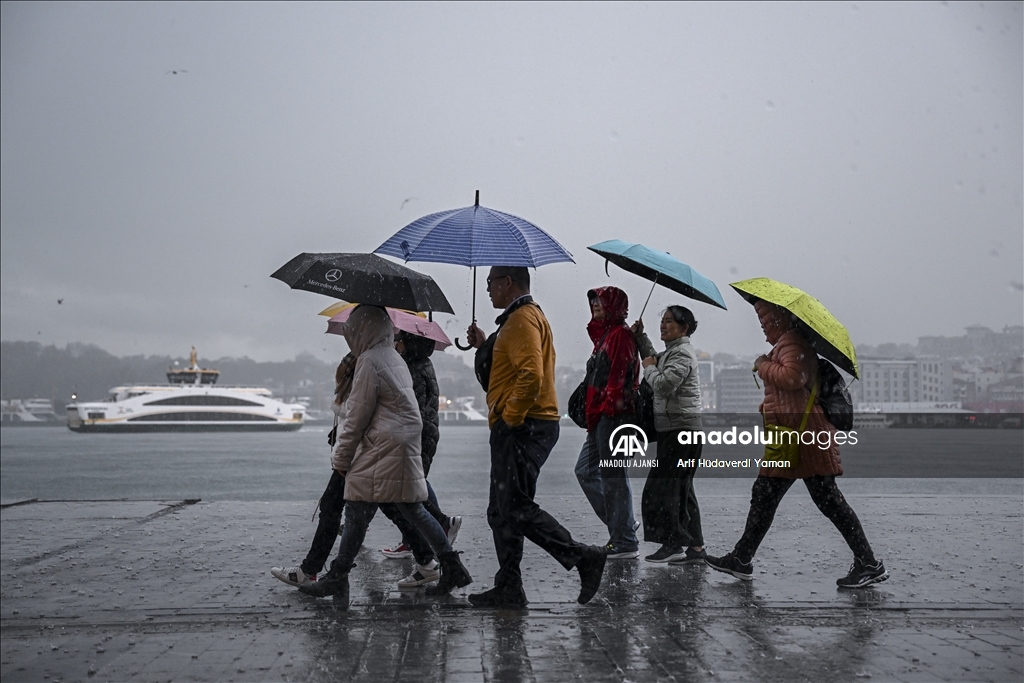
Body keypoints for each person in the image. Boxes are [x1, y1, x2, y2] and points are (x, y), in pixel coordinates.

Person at [704, 300, 888, 588]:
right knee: (772, 494)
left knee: (822, 499)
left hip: (804, 437)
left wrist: (763, 365)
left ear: (779, 321)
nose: (763, 328)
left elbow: (792, 378)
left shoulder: (792, 344)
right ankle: (741, 558)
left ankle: (868, 563)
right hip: (794, 436)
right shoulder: (788, 345)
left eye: (766, 322)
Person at [299, 305, 472, 605]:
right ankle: (451, 565)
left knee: (359, 511)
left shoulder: (369, 361)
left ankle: (338, 577)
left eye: (352, 329)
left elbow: (357, 417)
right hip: (399, 444)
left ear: (361, 330)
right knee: (409, 509)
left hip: (381, 447)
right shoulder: (393, 356)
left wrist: (341, 459)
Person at [465, 266, 607, 608]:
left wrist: (509, 418)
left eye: (491, 283)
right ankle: (509, 586)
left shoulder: (521, 319)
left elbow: (530, 374)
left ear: (507, 282)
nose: (488, 289)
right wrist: (484, 345)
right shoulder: (521, 318)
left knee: (514, 506)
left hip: (525, 424)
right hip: (526, 423)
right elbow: (512, 369)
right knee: (501, 510)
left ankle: (583, 557)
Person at [378, 330, 463, 589]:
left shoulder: (411, 368)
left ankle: (436, 540)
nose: (396, 344)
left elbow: (406, 406)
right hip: (424, 434)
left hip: (416, 436)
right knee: (414, 487)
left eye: (400, 340)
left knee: (408, 497)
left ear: (409, 344)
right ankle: (429, 540)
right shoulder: (421, 364)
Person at [270, 353, 356, 588]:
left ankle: (315, 572)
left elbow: (357, 419)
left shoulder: (364, 374)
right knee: (390, 509)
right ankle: (431, 555)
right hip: (361, 455)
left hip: (355, 457)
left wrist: (342, 457)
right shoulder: (374, 366)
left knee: (335, 509)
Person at [631, 306, 706, 564]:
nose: (663, 326)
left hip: (681, 431)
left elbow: (663, 384)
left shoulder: (683, 354)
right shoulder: (672, 352)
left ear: (685, 328)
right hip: (674, 430)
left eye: (669, 322)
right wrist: (641, 338)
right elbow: (654, 359)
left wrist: (648, 368)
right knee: (683, 491)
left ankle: (673, 543)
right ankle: (696, 548)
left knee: (663, 489)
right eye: (662, 321)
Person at [574, 287, 641, 559]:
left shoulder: (620, 336)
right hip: (600, 417)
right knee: (585, 471)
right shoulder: (606, 336)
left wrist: (608, 409)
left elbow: (619, 378)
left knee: (614, 477)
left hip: (613, 417)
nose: (595, 305)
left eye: (601, 300)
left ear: (614, 305)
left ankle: (624, 539)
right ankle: (623, 525)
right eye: (593, 301)